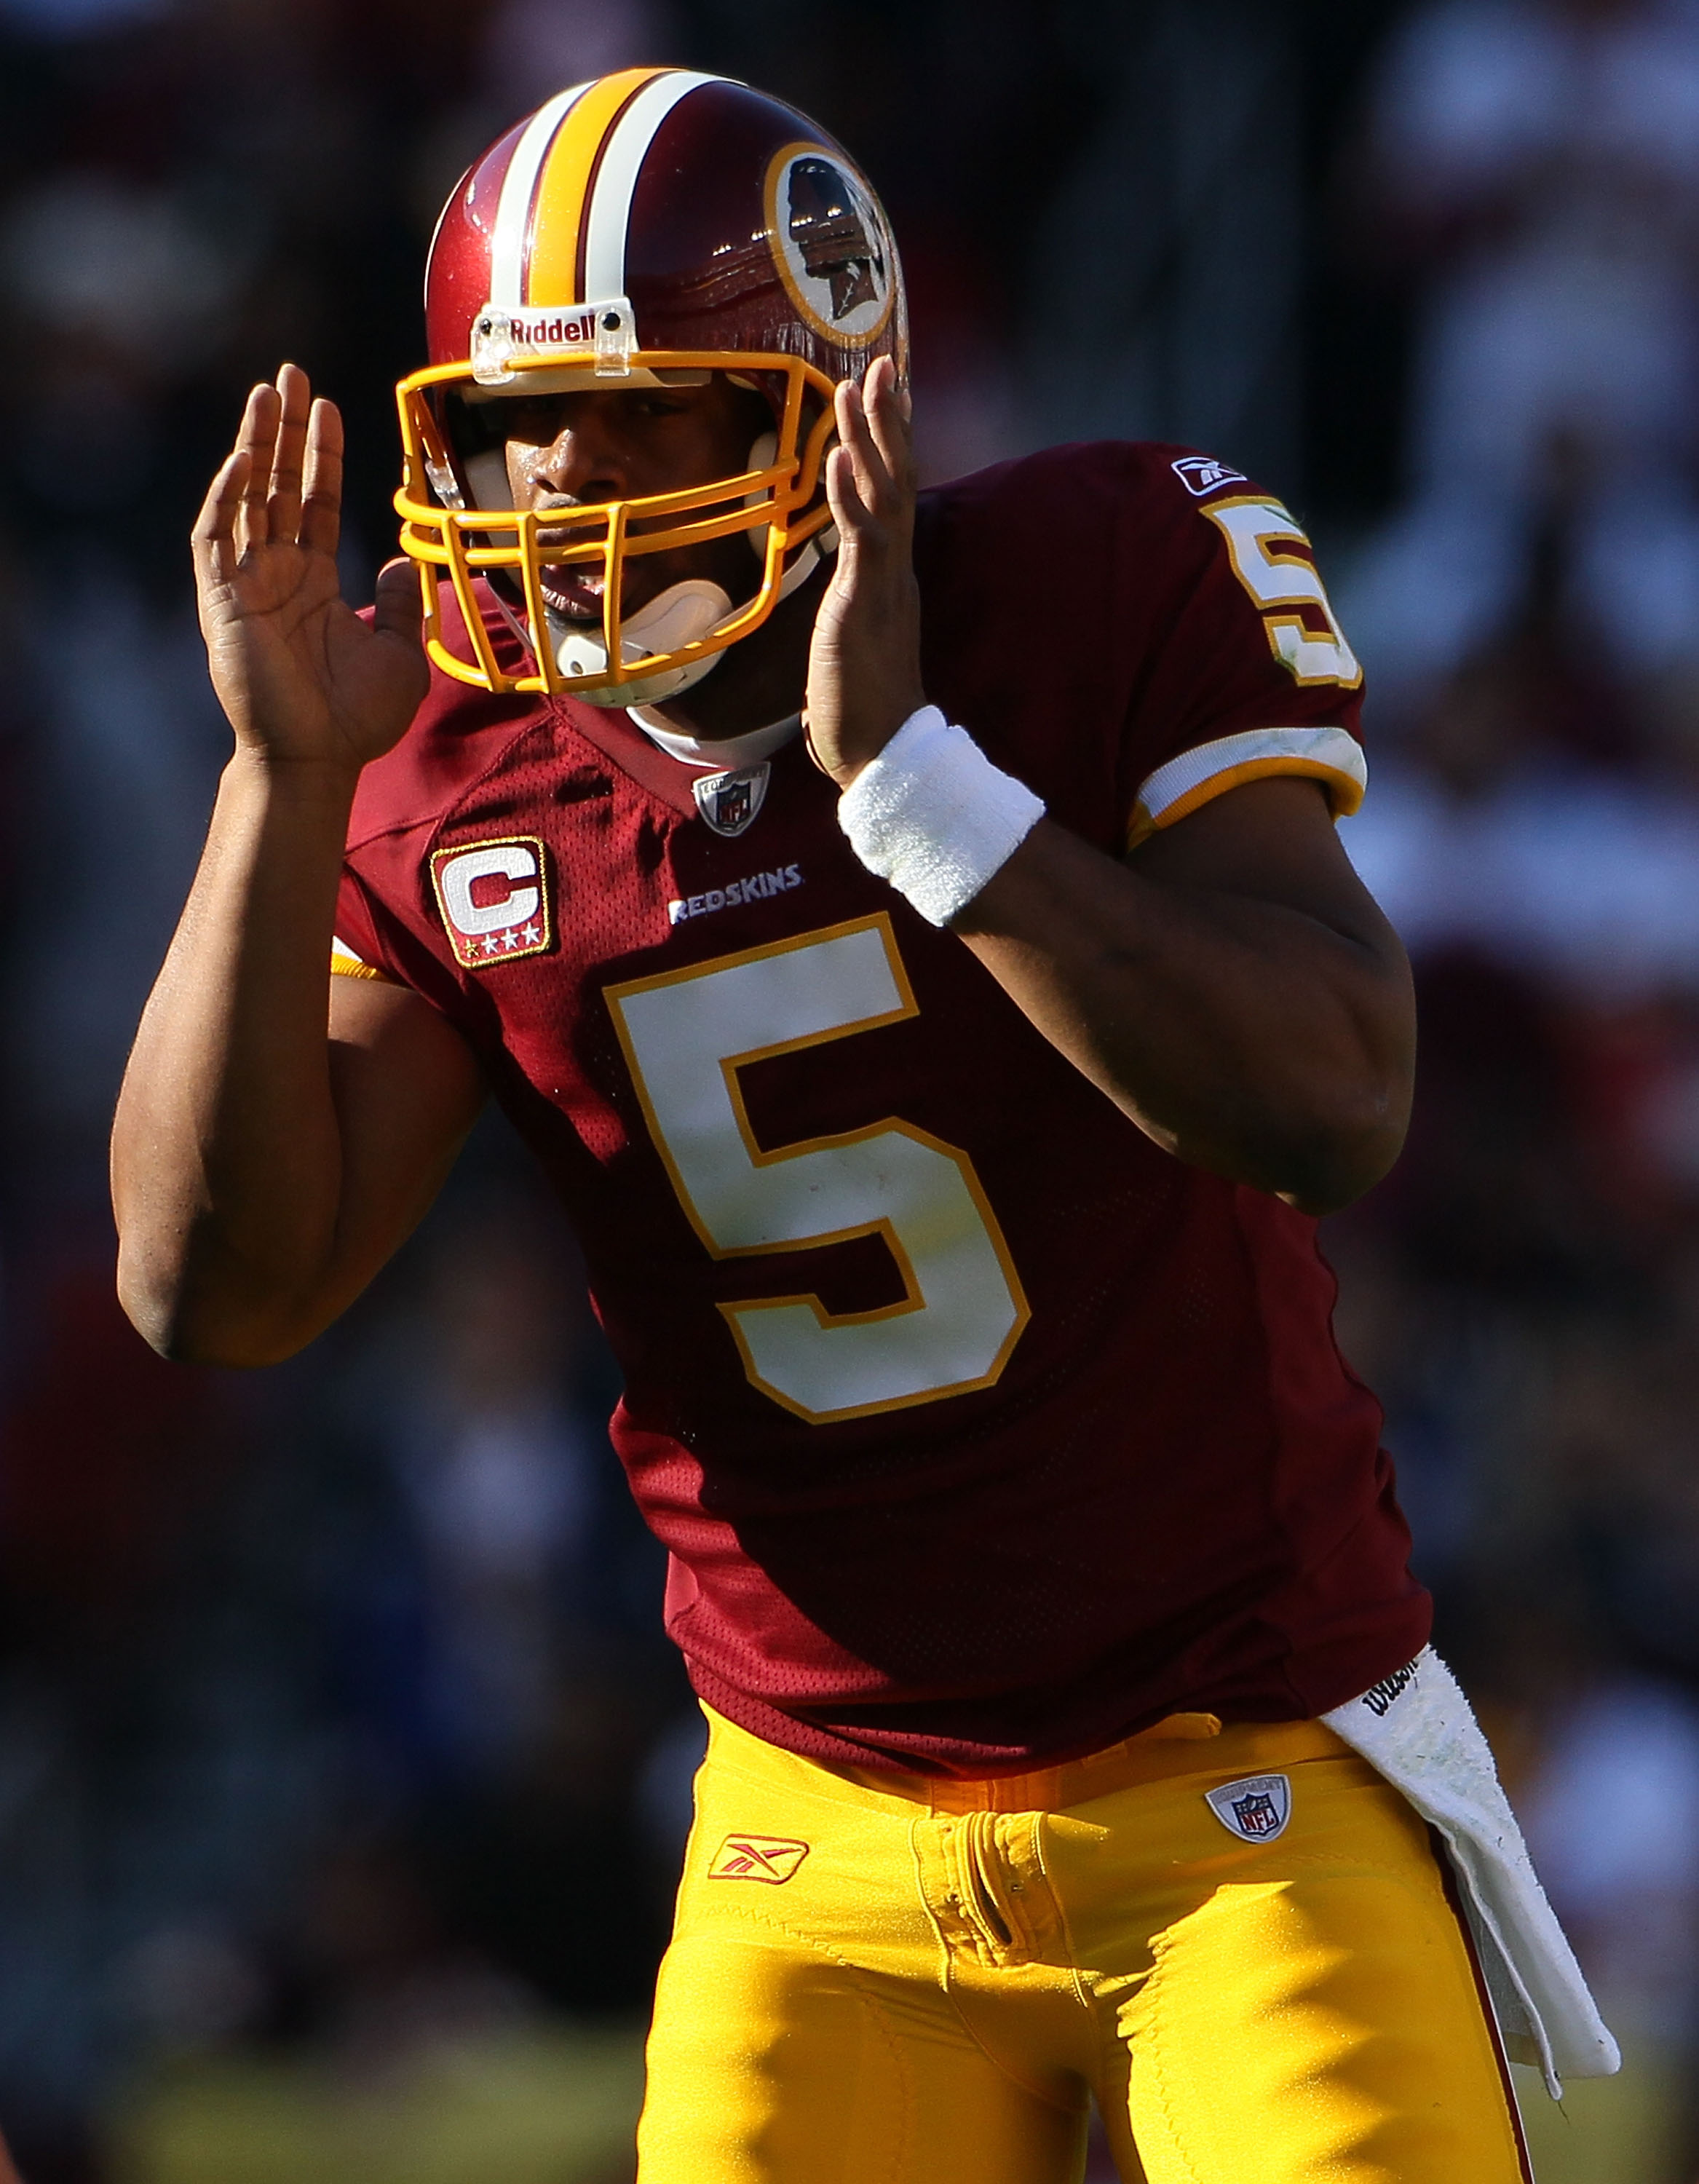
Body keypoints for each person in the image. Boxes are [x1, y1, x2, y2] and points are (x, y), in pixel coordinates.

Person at [111, 66, 1614, 2184]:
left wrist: (916, 780)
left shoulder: (1093, 577)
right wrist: (274, 786)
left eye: (642, 406)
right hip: (811, 1826)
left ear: (827, 410)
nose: (562, 474)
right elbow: (213, 1289)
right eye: (516, 419)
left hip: (1241, 1775)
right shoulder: (438, 758)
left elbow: (1336, 1097)